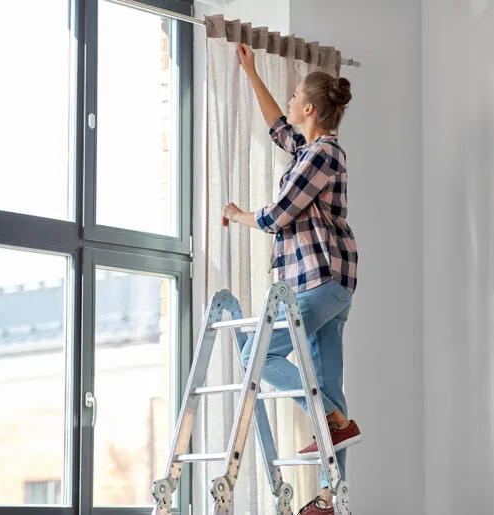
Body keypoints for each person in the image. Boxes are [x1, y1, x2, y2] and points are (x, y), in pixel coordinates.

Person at [222, 43, 360, 515]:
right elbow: (277, 127)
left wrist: (237, 214)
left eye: (295, 93)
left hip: (319, 280)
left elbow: (278, 216)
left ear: (310, 108)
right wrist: (250, 71)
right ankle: (329, 495)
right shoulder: (309, 149)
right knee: (330, 387)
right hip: (331, 284)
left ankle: (329, 417)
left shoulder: (323, 155)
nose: (289, 98)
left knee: (252, 353)